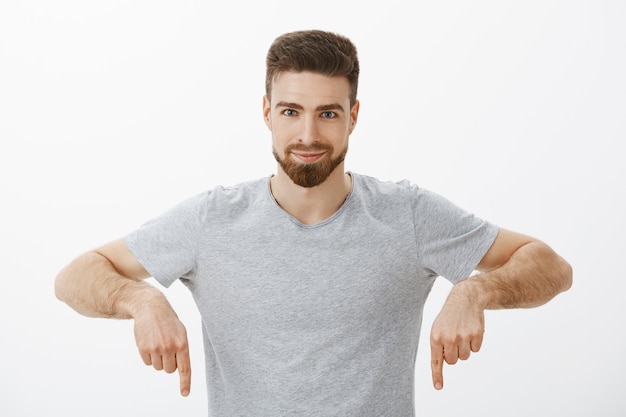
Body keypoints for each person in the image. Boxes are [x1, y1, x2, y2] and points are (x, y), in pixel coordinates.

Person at [55, 29, 572, 416]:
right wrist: (142, 299)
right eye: (290, 112)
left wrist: (474, 292)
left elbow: (550, 265)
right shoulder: (212, 220)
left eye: (327, 113)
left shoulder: (408, 214)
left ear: (353, 115)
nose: (307, 134)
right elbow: (75, 276)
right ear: (266, 113)